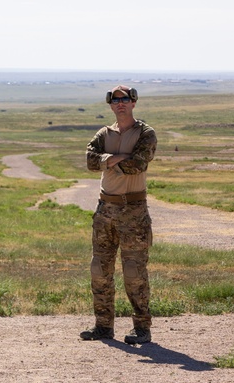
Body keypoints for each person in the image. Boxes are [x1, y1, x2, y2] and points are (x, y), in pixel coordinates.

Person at [81, 85, 157, 345]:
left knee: (134, 272)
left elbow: (137, 165)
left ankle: (142, 328)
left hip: (133, 211)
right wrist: (117, 157)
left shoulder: (145, 133)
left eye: (125, 99)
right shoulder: (104, 133)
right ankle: (103, 326)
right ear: (110, 104)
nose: (120, 104)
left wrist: (107, 160)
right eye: (115, 100)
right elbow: (90, 161)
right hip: (105, 210)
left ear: (133, 103)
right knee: (99, 270)